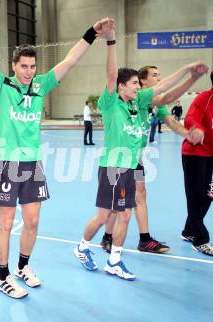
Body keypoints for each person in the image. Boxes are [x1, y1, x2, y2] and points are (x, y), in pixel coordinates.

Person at [0, 4, 113, 297]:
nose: (29, 71)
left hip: (32, 164)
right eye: (24, 66)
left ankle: (23, 267)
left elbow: (70, 61)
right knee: (6, 223)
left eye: (33, 67)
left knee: (33, 221)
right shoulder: (1, 86)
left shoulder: (41, 85)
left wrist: (92, 34)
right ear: (14, 65)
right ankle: (2, 275)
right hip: (6, 163)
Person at [73, 22, 204, 281]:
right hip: (113, 167)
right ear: (121, 87)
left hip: (131, 167)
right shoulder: (110, 103)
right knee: (103, 216)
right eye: (133, 83)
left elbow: (162, 87)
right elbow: (111, 75)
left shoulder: (139, 102)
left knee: (125, 214)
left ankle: (114, 261)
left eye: (138, 84)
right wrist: (111, 41)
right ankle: (81, 247)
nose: (137, 87)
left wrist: (188, 70)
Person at [100, 63, 208, 254]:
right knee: (119, 203)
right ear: (142, 81)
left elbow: (172, 119)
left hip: (136, 156)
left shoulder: (155, 104)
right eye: (155, 75)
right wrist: (190, 73)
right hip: (120, 158)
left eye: (159, 75)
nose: (159, 78)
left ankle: (144, 239)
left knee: (140, 195)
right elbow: (165, 92)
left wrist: (188, 135)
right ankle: (108, 237)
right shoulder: (139, 99)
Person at [181, 70, 213, 256]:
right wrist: (198, 129)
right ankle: (200, 239)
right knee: (195, 196)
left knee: (208, 194)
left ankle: (189, 230)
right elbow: (191, 118)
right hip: (195, 153)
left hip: (211, 154)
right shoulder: (205, 98)